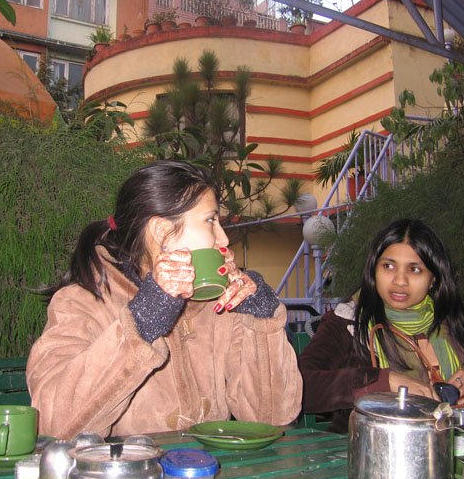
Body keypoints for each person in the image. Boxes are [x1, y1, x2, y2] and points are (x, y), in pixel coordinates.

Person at [27, 160, 302, 439]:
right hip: (130, 476)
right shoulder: (82, 302)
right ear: (161, 232)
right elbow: (55, 427)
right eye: (210, 220)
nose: (223, 239)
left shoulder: (217, 305)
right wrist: (143, 321)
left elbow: (272, 419)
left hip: (209, 475)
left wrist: (261, 317)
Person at [298, 218, 464, 433]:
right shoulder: (348, 322)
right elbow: (301, 388)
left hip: (451, 445)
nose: (399, 281)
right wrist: (382, 381)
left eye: (415, 270)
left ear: (433, 278)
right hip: (368, 450)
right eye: (388, 266)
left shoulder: (447, 322)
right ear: (373, 270)